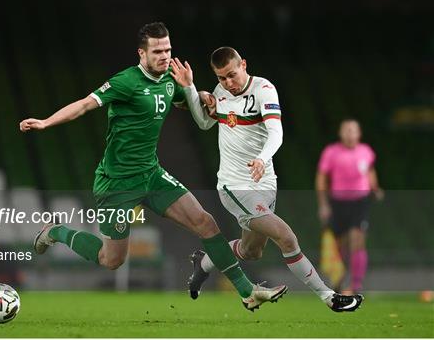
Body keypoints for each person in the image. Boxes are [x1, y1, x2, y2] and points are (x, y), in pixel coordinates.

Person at [19, 22, 278, 311]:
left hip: (152, 174)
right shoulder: (125, 82)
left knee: (206, 223)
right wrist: (45, 122)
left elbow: (184, 101)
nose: (165, 55)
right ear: (141, 53)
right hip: (117, 182)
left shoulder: (170, 78)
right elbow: (83, 105)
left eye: (167, 49)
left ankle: (246, 291)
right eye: (157, 51)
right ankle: (56, 232)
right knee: (112, 260)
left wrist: (202, 94)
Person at [170, 46, 363, 312]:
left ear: (244, 65)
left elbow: (276, 133)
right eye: (221, 78)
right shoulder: (220, 93)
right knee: (285, 236)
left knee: (251, 251)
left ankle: (204, 262)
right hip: (235, 185)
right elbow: (205, 123)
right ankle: (330, 297)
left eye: (232, 75)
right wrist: (192, 89)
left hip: (264, 182)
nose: (228, 83)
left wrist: (262, 159)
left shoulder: (263, 90)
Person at [316, 119, 383, 294]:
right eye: (346, 130)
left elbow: (369, 171)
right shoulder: (331, 152)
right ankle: (338, 281)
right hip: (338, 202)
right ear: (341, 133)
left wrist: (375, 188)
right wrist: (323, 204)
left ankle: (356, 285)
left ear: (359, 134)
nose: (350, 134)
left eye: (353, 130)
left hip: (360, 201)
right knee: (339, 245)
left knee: (357, 240)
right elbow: (322, 178)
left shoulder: (366, 151)